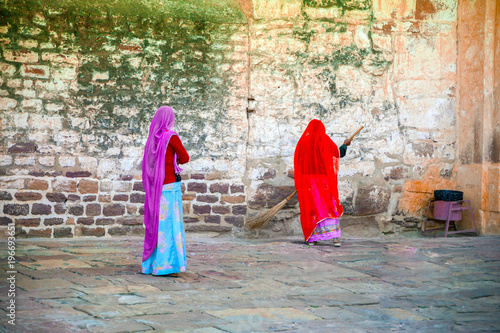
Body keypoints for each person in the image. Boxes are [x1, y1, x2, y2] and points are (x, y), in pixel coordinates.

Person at [141, 106, 190, 275]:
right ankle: (167, 265)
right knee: (171, 225)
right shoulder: (171, 137)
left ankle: (152, 264)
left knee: (157, 225)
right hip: (170, 187)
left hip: (156, 188)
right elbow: (185, 157)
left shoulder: (152, 140)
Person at [294, 119, 350, 247]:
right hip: (324, 182)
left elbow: (299, 164)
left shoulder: (302, 143)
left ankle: (313, 238)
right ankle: (335, 238)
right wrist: (345, 145)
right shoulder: (324, 140)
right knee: (328, 206)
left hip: (308, 183)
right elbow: (337, 153)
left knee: (312, 207)